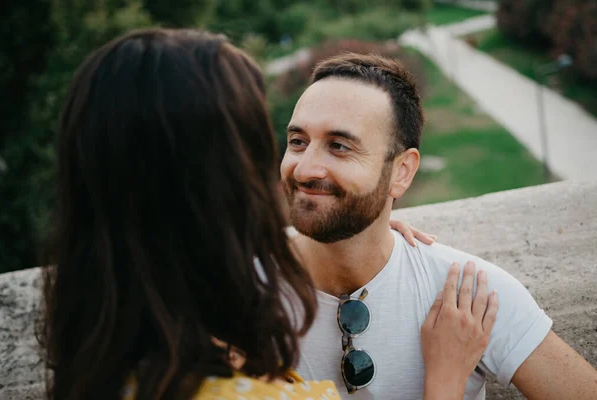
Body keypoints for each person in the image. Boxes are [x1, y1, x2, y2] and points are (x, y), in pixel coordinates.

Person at [39, 28, 497, 400]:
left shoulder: (97, 356)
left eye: (339, 146)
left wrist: (365, 224)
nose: (302, 167)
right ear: (219, 189)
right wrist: (445, 381)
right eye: (290, 141)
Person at [281, 52, 597, 399]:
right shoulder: (242, 289)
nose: (305, 169)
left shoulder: (468, 298)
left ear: (401, 172)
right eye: (298, 142)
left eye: (339, 147)